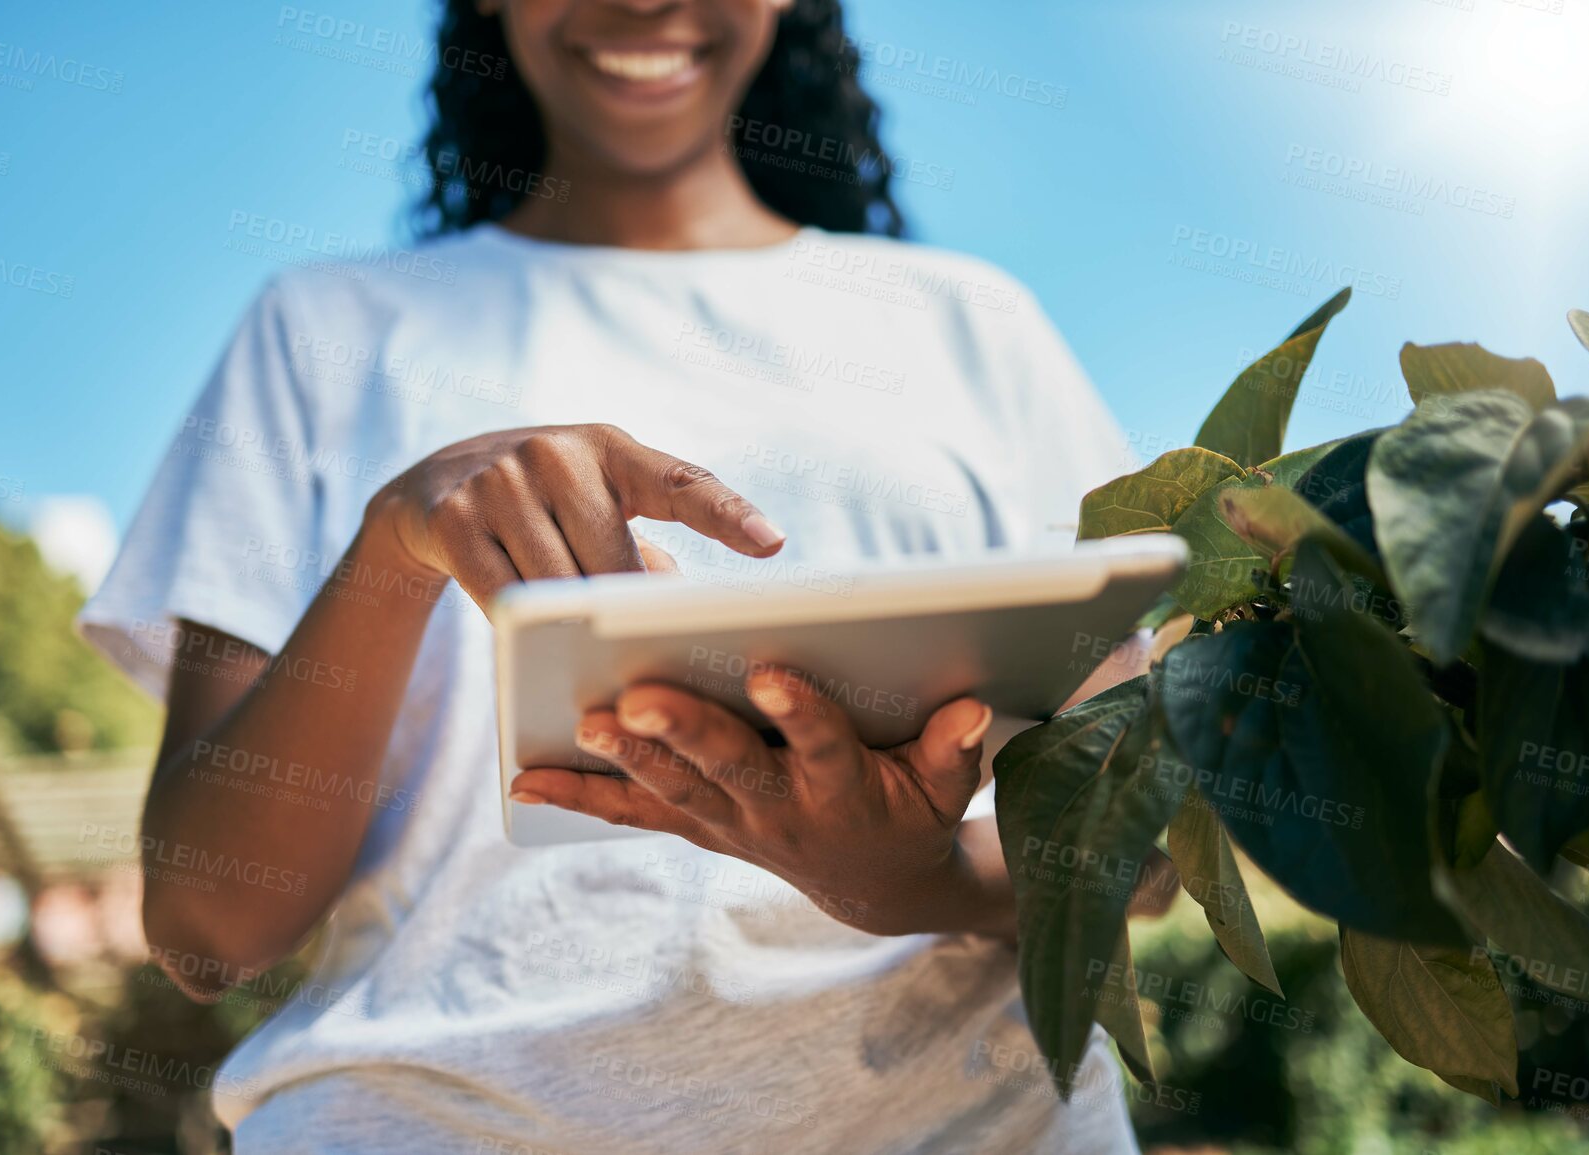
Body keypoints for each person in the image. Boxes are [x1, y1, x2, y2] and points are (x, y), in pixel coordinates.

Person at [80, 0, 1141, 1150]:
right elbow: (209, 923)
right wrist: (397, 545)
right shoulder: (321, 330)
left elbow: (1141, 853)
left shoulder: (974, 325)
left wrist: (914, 886)